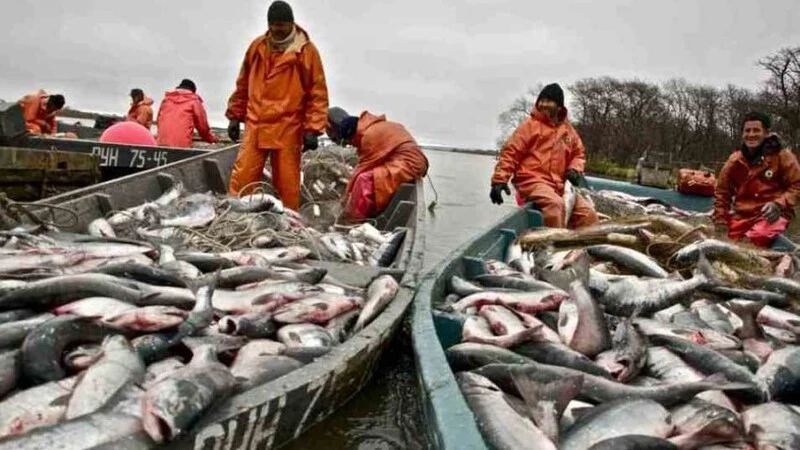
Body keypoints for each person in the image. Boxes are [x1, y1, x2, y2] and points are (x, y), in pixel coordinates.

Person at [226, 0, 328, 211]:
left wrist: (313, 129)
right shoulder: (257, 47)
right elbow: (243, 83)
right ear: (268, 24)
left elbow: (317, 93)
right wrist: (235, 116)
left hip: (288, 127)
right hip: (256, 123)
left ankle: (290, 224)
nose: (277, 30)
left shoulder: (307, 52)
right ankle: (234, 217)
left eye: (281, 25)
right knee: (243, 177)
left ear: (291, 24)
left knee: (287, 183)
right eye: (273, 25)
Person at [489, 83, 599, 229]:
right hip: (531, 181)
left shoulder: (568, 131)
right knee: (555, 205)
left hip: (559, 185)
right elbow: (511, 153)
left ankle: (584, 248)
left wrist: (574, 169)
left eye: (549, 101)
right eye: (541, 100)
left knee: (588, 214)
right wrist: (499, 180)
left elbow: (578, 154)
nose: (544, 104)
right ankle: (553, 247)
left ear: (559, 106)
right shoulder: (529, 127)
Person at [713, 112, 800, 247]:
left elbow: (797, 185)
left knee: (756, 237)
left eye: (756, 130)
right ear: (742, 134)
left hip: (773, 215)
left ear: (766, 133)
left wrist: (778, 204)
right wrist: (720, 222)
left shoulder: (783, 156)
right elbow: (722, 193)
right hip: (742, 215)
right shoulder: (735, 160)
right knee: (724, 242)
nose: (751, 134)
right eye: (747, 131)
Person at [327, 107, 429, 220]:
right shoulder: (374, 126)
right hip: (408, 161)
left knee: (364, 180)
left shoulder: (368, 136)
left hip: (408, 164)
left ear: (351, 135)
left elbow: (361, 170)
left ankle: (352, 221)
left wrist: (344, 204)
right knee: (366, 178)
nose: (352, 145)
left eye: (350, 142)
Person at [156, 79, 218, 148]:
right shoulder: (194, 101)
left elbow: (159, 121)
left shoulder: (166, 100)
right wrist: (211, 138)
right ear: (193, 91)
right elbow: (202, 127)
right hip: (181, 146)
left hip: (161, 145)